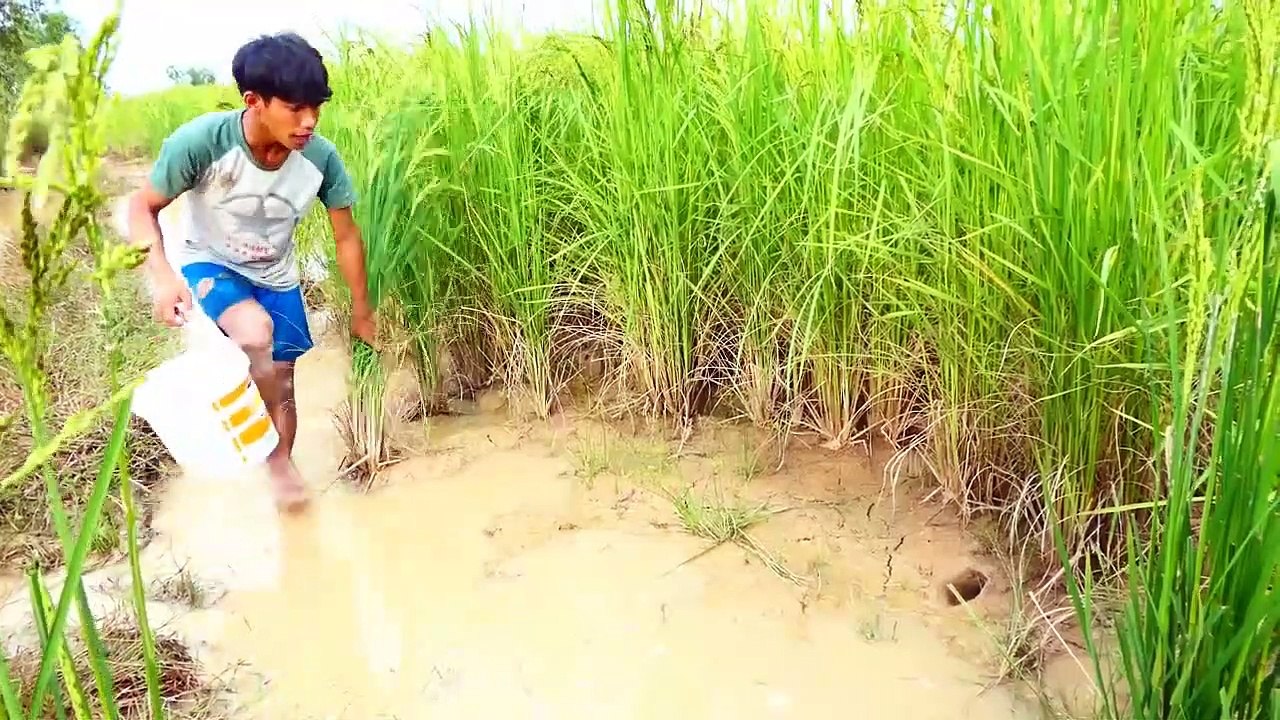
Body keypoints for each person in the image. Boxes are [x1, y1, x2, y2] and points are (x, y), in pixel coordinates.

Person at [127, 32, 375, 511]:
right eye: (295, 109)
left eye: (317, 109)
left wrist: (362, 310)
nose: (309, 122)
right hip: (211, 262)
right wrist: (162, 276)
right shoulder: (201, 143)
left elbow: (346, 236)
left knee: (283, 379)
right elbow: (142, 207)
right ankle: (275, 464)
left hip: (277, 274)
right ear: (254, 101)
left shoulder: (320, 159)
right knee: (254, 332)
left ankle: (280, 463)